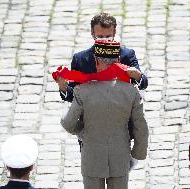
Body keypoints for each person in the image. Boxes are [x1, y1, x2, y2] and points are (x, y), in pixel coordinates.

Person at [61, 40, 149, 189]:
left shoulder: (82, 91)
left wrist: (84, 131)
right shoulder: (131, 91)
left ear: (97, 61)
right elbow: (141, 128)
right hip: (120, 157)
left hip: (91, 157)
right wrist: (137, 153)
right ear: (118, 61)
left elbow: (69, 123)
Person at [57, 12, 149, 144]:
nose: (104, 41)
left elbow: (143, 83)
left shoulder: (127, 55)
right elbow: (73, 96)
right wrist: (63, 87)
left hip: (121, 127)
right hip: (91, 128)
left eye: (108, 37)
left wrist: (138, 76)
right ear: (92, 34)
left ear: (114, 32)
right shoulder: (81, 59)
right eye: (100, 37)